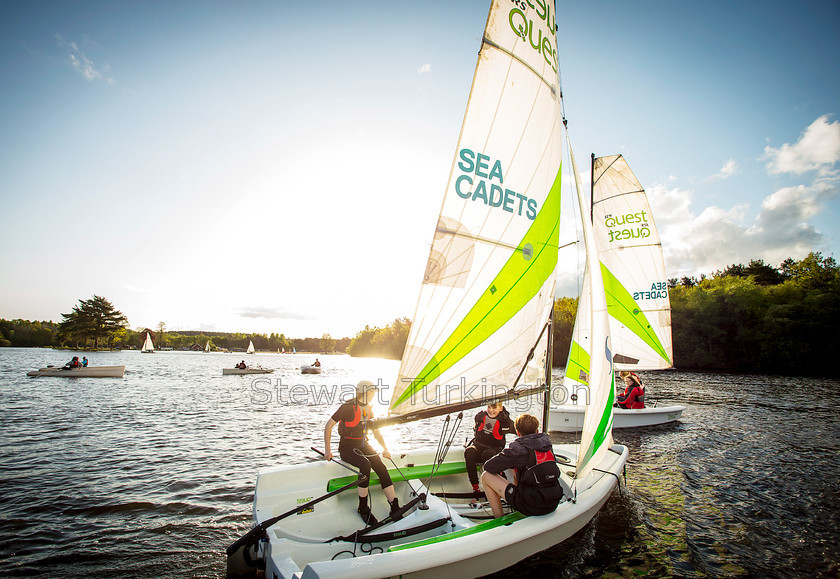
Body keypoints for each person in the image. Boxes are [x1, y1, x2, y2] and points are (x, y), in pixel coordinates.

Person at [324, 380, 400, 525]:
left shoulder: (369, 408)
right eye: (372, 392)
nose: (374, 395)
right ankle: (363, 508)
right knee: (365, 465)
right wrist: (328, 451)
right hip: (347, 448)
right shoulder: (347, 407)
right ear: (365, 392)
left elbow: (376, 431)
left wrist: (385, 448)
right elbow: (329, 426)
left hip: (363, 444)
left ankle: (394, 506)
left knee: (380, 466)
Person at [480, 414, 565, 518]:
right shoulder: (547, 445)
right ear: (537, 431)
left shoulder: (518, 449)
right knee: (515, 469)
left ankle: (500, 519)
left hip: (532, 506)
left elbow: (488, 466)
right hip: (552, 503)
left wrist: (506, 462)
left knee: (486, 476)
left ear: (518, 433)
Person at [464, 402, 515, 496]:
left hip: (494, 450)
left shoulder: (505, 421)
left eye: (494, 408)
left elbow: (518, 430)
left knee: (487, 454)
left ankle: (498, 486)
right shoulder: (481, 416)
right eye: (489, 407)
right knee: (469, 452)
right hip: (479, 447)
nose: (491, 410)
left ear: (501, 408)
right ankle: (475, 487)